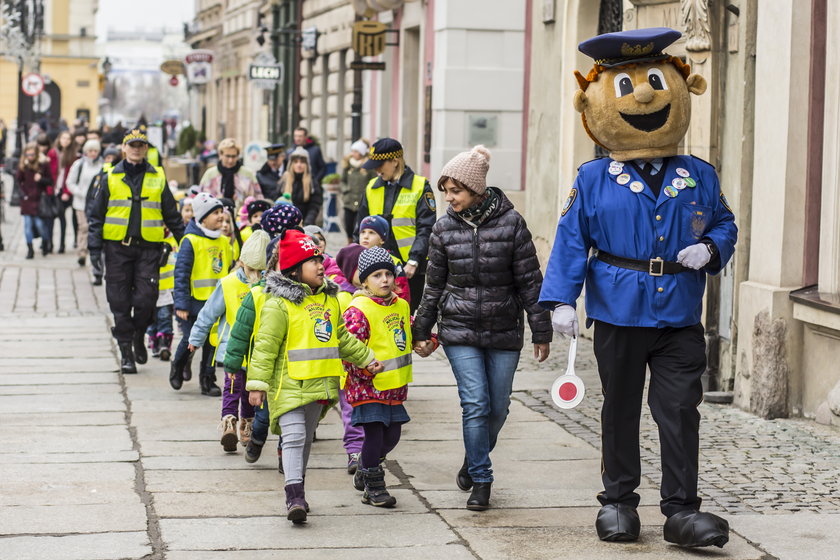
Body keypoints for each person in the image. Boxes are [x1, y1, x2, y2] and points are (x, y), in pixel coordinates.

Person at [539, 28, 737, 548]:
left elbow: (723, 222)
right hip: (619, 311)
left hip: (679, 314)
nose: (644, 97)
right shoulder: (593, 179)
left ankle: (681, 511)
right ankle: (619, 504)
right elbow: (570, 239)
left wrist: (712, 248)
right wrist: (560, 298)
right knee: (620, 408)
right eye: (626, 87)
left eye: (653, 82)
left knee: (678, 410)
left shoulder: (699, 175)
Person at [412, 145, 552, 511]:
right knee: (475, 403)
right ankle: (482, 479)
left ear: (476, 189)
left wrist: (541, 329)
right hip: (458, 328)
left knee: (499, 407)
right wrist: (421, 330)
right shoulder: (443, 229)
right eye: (445, 190)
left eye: (454, 190)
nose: (448, 197)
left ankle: (472, 459)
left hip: (504, 326)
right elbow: (433, 285)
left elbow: (529, 282)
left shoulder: (512, 223)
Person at [246, 229, 383, 524]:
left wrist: (367, 358)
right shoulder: (278, 304)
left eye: (320, 259)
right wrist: (257, 384)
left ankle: (298, 484)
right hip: (289, 385)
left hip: (320, 384)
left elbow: (342, 339)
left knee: (305, 439)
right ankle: (294, 497)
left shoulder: (329, 301)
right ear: (295, 269)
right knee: (293, 438)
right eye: (312, 261)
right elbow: (264, 347)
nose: (321, 265)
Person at [88, 128, 185, 373]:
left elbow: (172, 216)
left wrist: (186, 243)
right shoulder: (110, 176)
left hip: (148, 250)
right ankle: (126, 353)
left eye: (141, 145)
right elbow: (96, 216)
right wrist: (94, 251)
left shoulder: (158, 177)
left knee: (146, 300)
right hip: (117, 249)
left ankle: (139, 334)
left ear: (146, 149)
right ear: (124, 148)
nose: (136, 149)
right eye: (132, 145)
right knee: (119, 302)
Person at [343, 246, 434, 507]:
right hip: (367, 388)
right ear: (364, 280)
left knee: (392, 436)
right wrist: (364, 367)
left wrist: (427, 342)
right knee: (374, 436)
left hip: (395, 388)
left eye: (388, 274)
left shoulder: (402, 305)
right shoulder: (357, 310)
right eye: (376, 275)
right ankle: (374, 485)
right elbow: (347, 351)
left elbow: (412, 333)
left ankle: (365, 465)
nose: (384, 280)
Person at [223, 204, 303, 471]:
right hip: (267, 368)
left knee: (289, 418)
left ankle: (285, 459)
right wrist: (233, 364)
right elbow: (241, 332)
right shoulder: (257, 293)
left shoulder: (305, 296)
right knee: (264, 416)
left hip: (294, 368)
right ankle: (257, 439)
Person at [189, 230, 270, 452]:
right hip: (231, 349)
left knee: (250, 390)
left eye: (261, 271)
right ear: (241, 262)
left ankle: (246, 422)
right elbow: (208, 313)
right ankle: (229, 423)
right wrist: (196, 339)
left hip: (258, 351)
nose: (255, 276)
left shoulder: (270, 287)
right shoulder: (228, 283)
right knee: (232, 386)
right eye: (251, 270)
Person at [354, 138, 435, 314]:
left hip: (409, 268)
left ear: (395, 161)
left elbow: (426, 229)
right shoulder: (371, 187)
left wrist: (414, 260)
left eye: (380, 164)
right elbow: (359, 228)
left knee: (407, 313)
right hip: (376, 265)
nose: (376, 170)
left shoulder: (420, 186)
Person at [170, 192, 233, 395]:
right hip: (193, 302)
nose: (221, 217)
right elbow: (181, 274)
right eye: (215, 213)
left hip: (216, 304)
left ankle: (207, 380)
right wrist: (181, 304)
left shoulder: (224, 242)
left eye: (221, 213)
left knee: (212, 343)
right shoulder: (190, 241)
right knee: (190, 339)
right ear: (203, 217)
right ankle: (178, 365)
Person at [66, 139, 103, 266]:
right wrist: (82, 193)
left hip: (97, 203)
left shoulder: (102, 166)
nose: (93, 153)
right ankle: (82, 252)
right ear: (86, 151)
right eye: (90, 151)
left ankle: (93, 251)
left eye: (95, 151)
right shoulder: (79, 165)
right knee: (83, 227)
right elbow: (70, 182)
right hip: (81, 203)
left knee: (94, 227)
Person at [358, 215, 410, 303]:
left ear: (382, 239)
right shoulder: (353, 258)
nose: (365, 236)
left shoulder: (393, 261)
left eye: (371, 232)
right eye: (363, 232)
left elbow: (402, 292)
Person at [199, 138, 262, 209]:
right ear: (220, 154)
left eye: (233, 156)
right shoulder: (210, 174)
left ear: (238, 156)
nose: (230, 160)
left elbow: (258, 197)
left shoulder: (248, 174)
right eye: (227, 156)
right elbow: (201, 198)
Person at [146, 228, 178, 361]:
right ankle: (154, 341)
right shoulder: (150, 238)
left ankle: (164, 344)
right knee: (151, 318)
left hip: (168, 288)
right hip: (151, 287)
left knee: (165, 316)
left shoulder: (175, 239)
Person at [15, 143, 52, 259]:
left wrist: (41, 179)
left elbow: (50, 181)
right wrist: (23, 194)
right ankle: (30, 249)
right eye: (27, 154)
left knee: (40, 225)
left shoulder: (43, 165)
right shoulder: (23, 166)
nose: (30, 157)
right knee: (27, 226)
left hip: (39, 200)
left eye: (32, 154)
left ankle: (45, 242)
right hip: (27, 200)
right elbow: (18, 181)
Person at [47, 131, 78, 254]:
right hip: (52, 189)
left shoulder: (72, 155)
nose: (65, 141)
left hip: (63, 191)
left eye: (68, 139)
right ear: (59, 139)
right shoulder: (52, 153)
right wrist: (49, 189)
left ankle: (62, 244)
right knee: (50, 218)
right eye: (63, 138)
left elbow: (71, 176)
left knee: (62, 218)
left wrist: (67, 192)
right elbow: (48, 172)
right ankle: (49, 243)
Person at [278, 147, 322, 226]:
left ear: (307, 165)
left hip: (305, 223)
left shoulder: (312, 182)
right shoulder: (284, 180)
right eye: (296, 162)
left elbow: (314, 205)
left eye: (302, 162)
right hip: (286, 224)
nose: (299, 165)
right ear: (291, 164)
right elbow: (278, 202)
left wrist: (307, 222)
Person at [340, 139, 370, 244]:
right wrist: (345, 190)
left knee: (358, 225)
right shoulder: (348, 165)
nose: (353, 154)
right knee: (348, 224)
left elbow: (373, 181)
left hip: (361, 201)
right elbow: (342, 181)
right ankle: (349, 241)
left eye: (356, 151)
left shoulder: (368, 166)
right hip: (349, 200)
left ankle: (357, 243)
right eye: (352, 151)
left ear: (361, 153)